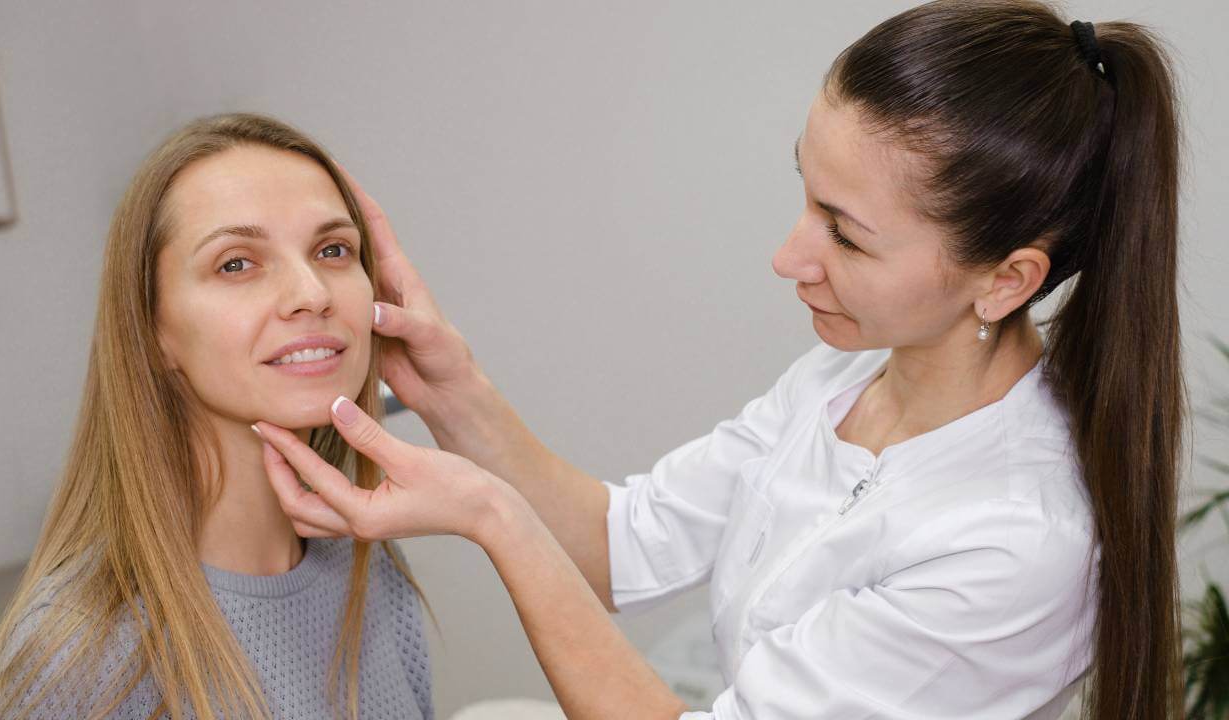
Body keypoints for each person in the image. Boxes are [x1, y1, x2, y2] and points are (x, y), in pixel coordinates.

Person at [256, 1, 1189, 718]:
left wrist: (492, 517)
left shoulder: (1015, 541)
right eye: (806, 193)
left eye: (847, 236)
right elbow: (626, 545)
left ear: (1004, 281)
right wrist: (455, 392)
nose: (789, 258)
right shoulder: (846, 379)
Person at [0, 114, 434, 720]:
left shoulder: (375, 573)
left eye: (333, 249)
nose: (312, 291)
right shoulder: (78, 659)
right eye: (236, 263)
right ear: (154, 330)